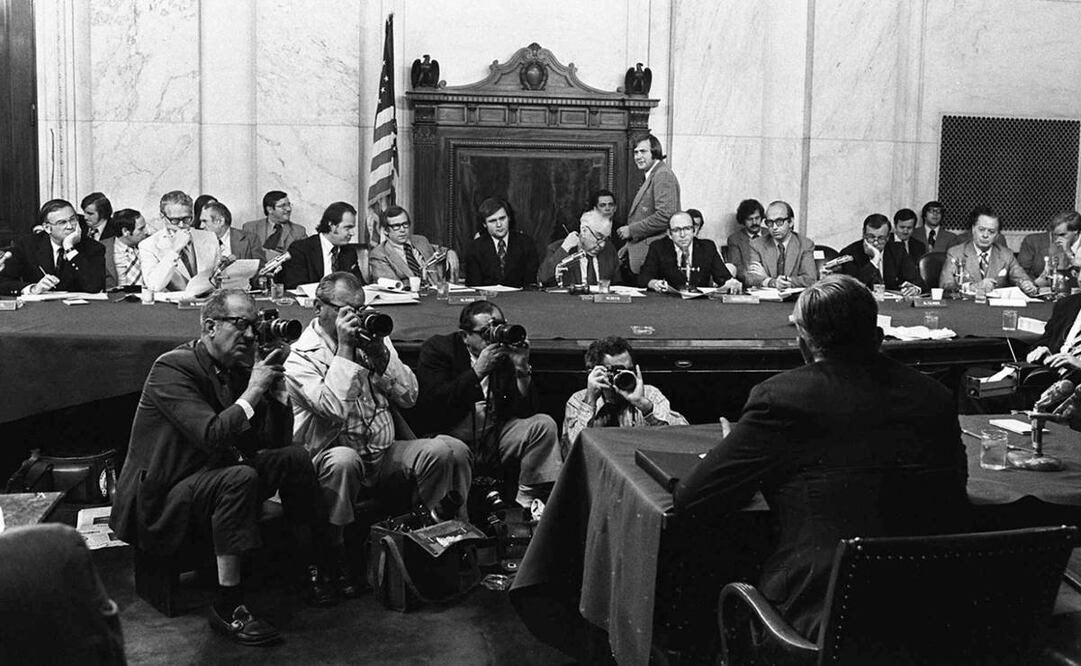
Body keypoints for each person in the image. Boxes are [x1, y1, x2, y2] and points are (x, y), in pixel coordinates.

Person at [672, 274, 969, 640]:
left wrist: (737, 453)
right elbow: (956, 484)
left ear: (803, 344)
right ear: (878, 337)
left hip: (820, 618)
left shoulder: (780, 398)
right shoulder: (935, 396)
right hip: (931, 612)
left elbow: (691, 497)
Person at [110, 289, 333, 646]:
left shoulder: (238, 369)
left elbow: (273, 442)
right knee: (239, 477)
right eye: (241, 324)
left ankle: (309, 566)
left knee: (294, 457)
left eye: (255, 326)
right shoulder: (172, 368)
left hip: (209, 478)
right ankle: (229, 606)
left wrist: (276, 391)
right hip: (162, 499)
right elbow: (211, 435)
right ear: (210, 326)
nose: (250, 335)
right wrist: (254, 390)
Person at [284, 273, 471, 594]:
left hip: (383, 452)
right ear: (319, 307)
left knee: (442, 450)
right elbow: (334, 409)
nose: (356, 318)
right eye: (346, 310)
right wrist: (345, 349)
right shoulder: (300, 356)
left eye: (361, 309)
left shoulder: (372, 339)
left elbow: (410, 396)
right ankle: (334, 556)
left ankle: (436, 544)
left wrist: (381, 357)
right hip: (330, 456)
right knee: (344, 460)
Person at [414, 300, 561, 509]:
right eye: (485, 332)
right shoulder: (439, 349)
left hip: (493, 438)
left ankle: (527, 503)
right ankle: (457, 520)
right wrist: (477, 372)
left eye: (499, 327)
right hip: (453, 435)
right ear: (465, 336)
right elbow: (434, 404)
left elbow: (526, 411)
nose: (494, 336)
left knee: (543, 425)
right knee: (454, 450)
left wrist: (521, 368)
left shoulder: (505, 353)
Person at [563, 336, 687, 448]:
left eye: (629, 370)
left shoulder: (649, 394)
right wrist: (590, 401)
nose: (625, 375)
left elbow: (684, 437)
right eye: (617, 370)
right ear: (594, 372)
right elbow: (571, 451)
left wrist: (645, 406)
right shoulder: (578, 400)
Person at [0, 198, 106, 296]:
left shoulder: (94, 247)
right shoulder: (27, 245)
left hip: (79, 309)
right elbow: (4, 282)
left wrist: (69, 248)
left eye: (73, 220)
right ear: (47, 228)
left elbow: (94, 286)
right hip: (39, 308)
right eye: (62, 222)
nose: (70, 226)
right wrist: (33, 288)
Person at [616, 133, 681, 274]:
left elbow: (665, 216)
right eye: (636, 152)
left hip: (654, 255)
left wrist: (631, 230)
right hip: (644, 252)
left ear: (655, 152)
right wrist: (629, 246)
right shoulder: (654, 174)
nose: (638, 156)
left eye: (643, 151)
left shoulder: (662, 175)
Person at [939, 206, 1036, 296]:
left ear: (997, 235)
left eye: (991, 232)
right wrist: (974, 287)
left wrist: (1026, 284)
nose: (985, 235)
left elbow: (1021, 277)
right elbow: (945, 285)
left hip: (995, 306)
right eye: (981, 229)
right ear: (973, 229)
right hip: (967, 305)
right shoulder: (956, 253)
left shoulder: (1006, 254)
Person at [640, 211, 742, 293]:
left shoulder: (707, 247)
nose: (682, 235)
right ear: (669, 234)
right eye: (676, 230)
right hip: (669, 302)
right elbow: (643, 277)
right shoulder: (658, 247)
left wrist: (732, 283)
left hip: (700, 304)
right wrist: (654, 283)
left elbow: (723, 277)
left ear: (694, 231)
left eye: (687, 229)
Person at [140, 190, 221, 292]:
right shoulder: (148, 245)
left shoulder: (210, 237)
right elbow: (154, 286)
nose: (182, 225)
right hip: (171, 301)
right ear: (162, 217)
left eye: (187, 219)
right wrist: (175, 250)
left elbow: (218, 278)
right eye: (175, 220)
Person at [280, 201, 366, 289]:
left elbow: (359, 285)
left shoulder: (349, 251)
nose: (352, 233)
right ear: (331, 225)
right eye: (347, 228)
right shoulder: (300, 249)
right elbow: (296, 287)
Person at [368, 205, 458, 286]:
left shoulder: (421, 241)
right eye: (396, 226)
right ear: (385, 231)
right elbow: (393, 286)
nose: (402, 230)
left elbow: (439, 251)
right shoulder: (379, 255)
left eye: (405, 224)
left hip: (437, 292)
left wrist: (450, 252)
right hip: (409, 296)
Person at [835, 213, 922, 296]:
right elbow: (852, 287)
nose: (875, 243)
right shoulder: (850, 252)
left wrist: (915, 288)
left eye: (881, 238)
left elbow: (917, 281)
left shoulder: (898, 251)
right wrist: (874, 260)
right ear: (863, 234)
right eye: (871, 237)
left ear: (888, 237)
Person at [463, 198, 539, 288]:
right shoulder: (475, 248)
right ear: (484, 224)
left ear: (509, 218)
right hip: (487, 296)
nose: (499, 225)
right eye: (492, 221)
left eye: (502, 218)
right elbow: (474, 286)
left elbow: (531, 283)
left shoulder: (526, 243)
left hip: (520, 296)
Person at [744, 200, 818, 288]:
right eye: (770, 222)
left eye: (779, 222)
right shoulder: (756, 244)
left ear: (791, 222)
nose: (774, 227)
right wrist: (772, 282)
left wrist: (781, 281)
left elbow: (810, 279)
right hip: (767, 296)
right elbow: (750, 278)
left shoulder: (805, 244)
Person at [537, 209, 618, 288]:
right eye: (599, 238)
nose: (602, 245)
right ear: (584, 231)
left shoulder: (609, 250)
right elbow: (543, 279)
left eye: (605, 239)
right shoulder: (557, 249)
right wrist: (565, 248)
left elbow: (618, 285)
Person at [1018, 210, 1081, 288]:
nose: (1057, 239)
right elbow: (1022, 272)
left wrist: (1069, 252)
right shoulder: (1033, 241)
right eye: (1054, 235)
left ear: (1075, 231)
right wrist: (1034, 284)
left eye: (1062, 235)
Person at [242, 190, 308, 257]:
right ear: (270, 209)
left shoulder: (299, 231)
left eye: (289, 204)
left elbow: (304, 257)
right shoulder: (250, 228)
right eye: (282, 206)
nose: (288, 209)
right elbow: (245, 255)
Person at [199, 201, 266, 267]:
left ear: (221, 221)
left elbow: (261, 268)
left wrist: (239, 266)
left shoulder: (250, 239)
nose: (201, 226)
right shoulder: (200, 243)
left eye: (205, 221)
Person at [103, 207, 149, 290]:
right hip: (116, 295)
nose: (146, 232)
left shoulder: (148, 245)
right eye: (141, 229)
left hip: (146, 294)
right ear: (125, 231)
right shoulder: (103, 248)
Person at [725, 199, 765, 282]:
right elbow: (737, 268)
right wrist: (756, 281)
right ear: (743, 220)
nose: (754, 222)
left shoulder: (770, 234)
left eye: (757, 218)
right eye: (750, 219)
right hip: (750, 282)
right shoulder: (734, 239)